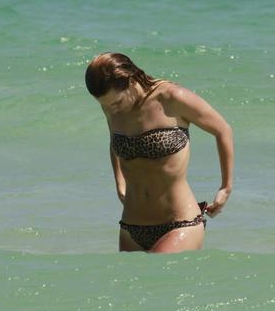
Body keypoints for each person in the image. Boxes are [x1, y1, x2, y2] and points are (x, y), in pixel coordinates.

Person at [85, 52, 234, 253]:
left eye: (116, 102)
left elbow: (222, 129)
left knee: (160, 282)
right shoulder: (111, 108)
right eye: (104, 105)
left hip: (179, 224)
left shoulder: (172, 98)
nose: (112, 109)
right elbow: (115, 141)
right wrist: (119, 183)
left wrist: (226, 187)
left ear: (130, 81)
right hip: (131, 227)